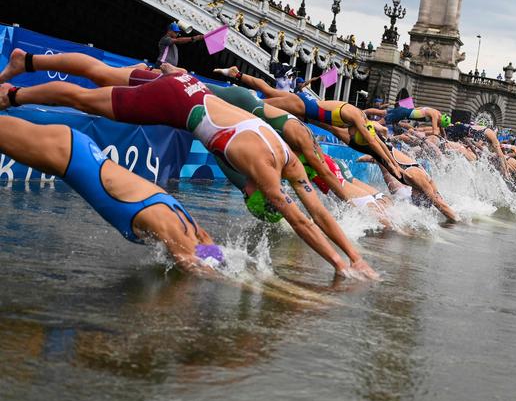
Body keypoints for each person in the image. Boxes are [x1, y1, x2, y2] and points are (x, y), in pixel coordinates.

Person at [0, 49, 377, 279]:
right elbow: (302, 221)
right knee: (85, 100)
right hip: (177, 102)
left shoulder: (286, 155)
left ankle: (29, 63)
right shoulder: (262, 169)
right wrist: (341, 267)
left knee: (100, 76)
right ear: (259, 189)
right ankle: (12, 96)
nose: (246, 194)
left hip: (192, 88)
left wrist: (355, 257)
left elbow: (316, 216)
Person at [0, 115, 224, 276]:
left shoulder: (195, 230)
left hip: (76, 152)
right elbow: (192, 267)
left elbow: (213, 252)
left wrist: (229, 269)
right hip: (68, 155)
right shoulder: (175, 230)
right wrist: (244, 288)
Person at [214, 66, 405, 183]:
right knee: (258, 103)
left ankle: (236, 75)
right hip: (303, 106)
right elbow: (373, 143)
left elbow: (378, 143)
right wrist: (390, 163)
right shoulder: (357, 117)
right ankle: (227, 95)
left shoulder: (360, 123)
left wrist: (393, 163)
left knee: (268, 91)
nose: (353, 135)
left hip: (307, 111)